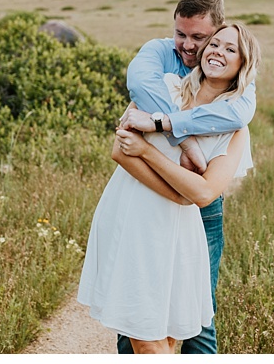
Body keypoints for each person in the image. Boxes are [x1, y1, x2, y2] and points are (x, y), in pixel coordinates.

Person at [76, 23, 260, 354]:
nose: (218, 51)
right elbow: (120, 149)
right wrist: (179, 190)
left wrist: (146, 152)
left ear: (243, 64)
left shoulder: (234, 126)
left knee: (173, 333)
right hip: (133, 217)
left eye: (230, 49)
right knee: (143, 334)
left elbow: (204, 194)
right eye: (214, 44)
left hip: (180, 230)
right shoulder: (166, 89)